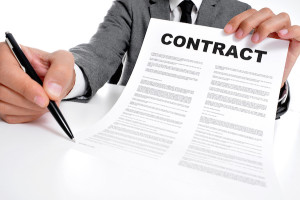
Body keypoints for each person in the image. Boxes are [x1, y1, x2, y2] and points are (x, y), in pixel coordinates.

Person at [0, 0, 299, 124]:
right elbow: (97, 54)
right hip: (134, 129)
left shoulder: (240, 13)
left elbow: (241, 101)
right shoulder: (133, 5)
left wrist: (270, 81)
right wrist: (62, 76)